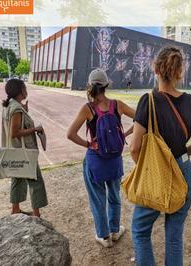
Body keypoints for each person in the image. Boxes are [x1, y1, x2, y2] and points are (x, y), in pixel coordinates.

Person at [130, 46, 191, 266]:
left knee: (140, 229)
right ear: (180, 72)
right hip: (184, 172)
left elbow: (134, 148)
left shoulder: (147, 100)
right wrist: (185, 153)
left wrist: (148, 170)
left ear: (155, 68)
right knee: (174, 234)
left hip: (157, 173)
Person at [67, 68, 135, 248]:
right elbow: (141, 118)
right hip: (114, 159)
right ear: (106, 85)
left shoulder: (88, 108)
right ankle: (114, 230)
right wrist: (125, 134)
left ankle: (104, 237)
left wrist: (89, 144)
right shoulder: (117, 104)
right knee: (114, 196)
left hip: (95, 160)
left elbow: (70, 134)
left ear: (90, 86)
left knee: (97, 199)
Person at [1, 78, 48, 218]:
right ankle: (36, 214)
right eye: (25, 88)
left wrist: (24, 111)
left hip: (14, 151)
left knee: (18, 179)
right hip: (25, 152)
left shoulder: (11, 105)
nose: (26, 91)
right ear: (21, 91)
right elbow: (14, 133)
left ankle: (15, 209)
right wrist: (35, 129)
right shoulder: (16, 109)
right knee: (36, 181)